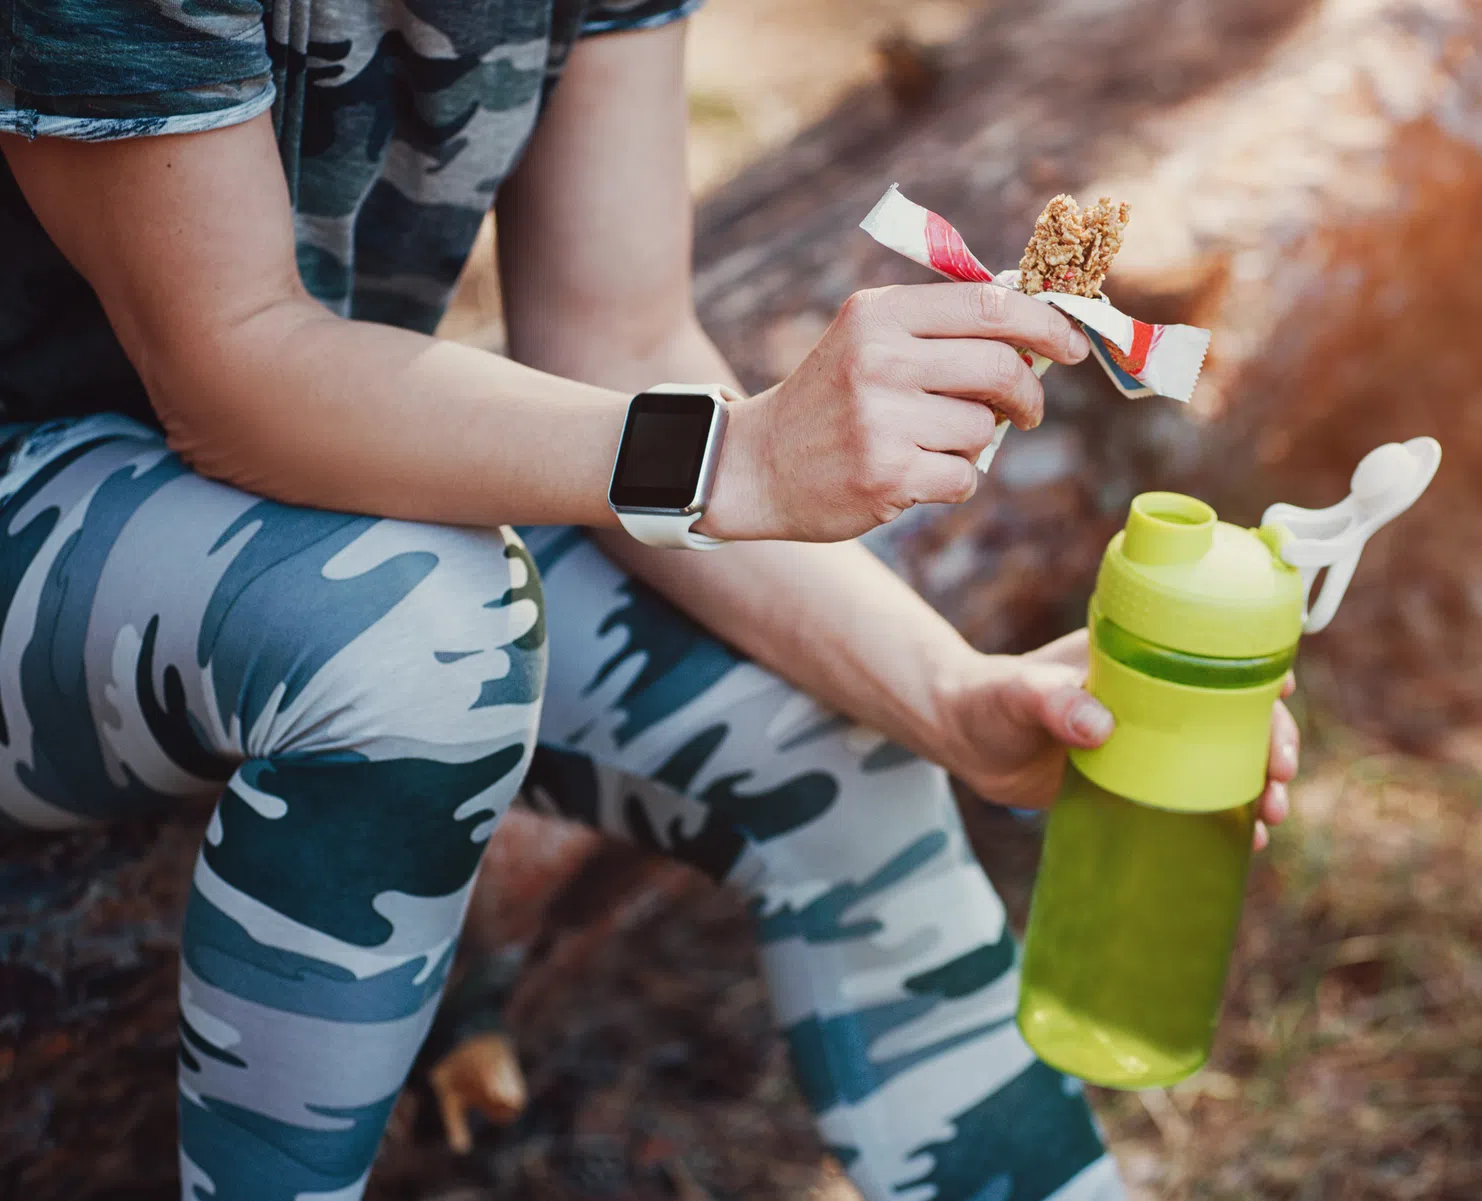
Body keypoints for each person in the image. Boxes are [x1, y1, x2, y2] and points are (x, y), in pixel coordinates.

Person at [0, 1, 1301, 1198]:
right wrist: (736, 454)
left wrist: (953, 700)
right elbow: (228, 372)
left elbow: (618, 342)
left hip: (280, 510)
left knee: (821, 710)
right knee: (420, 624)